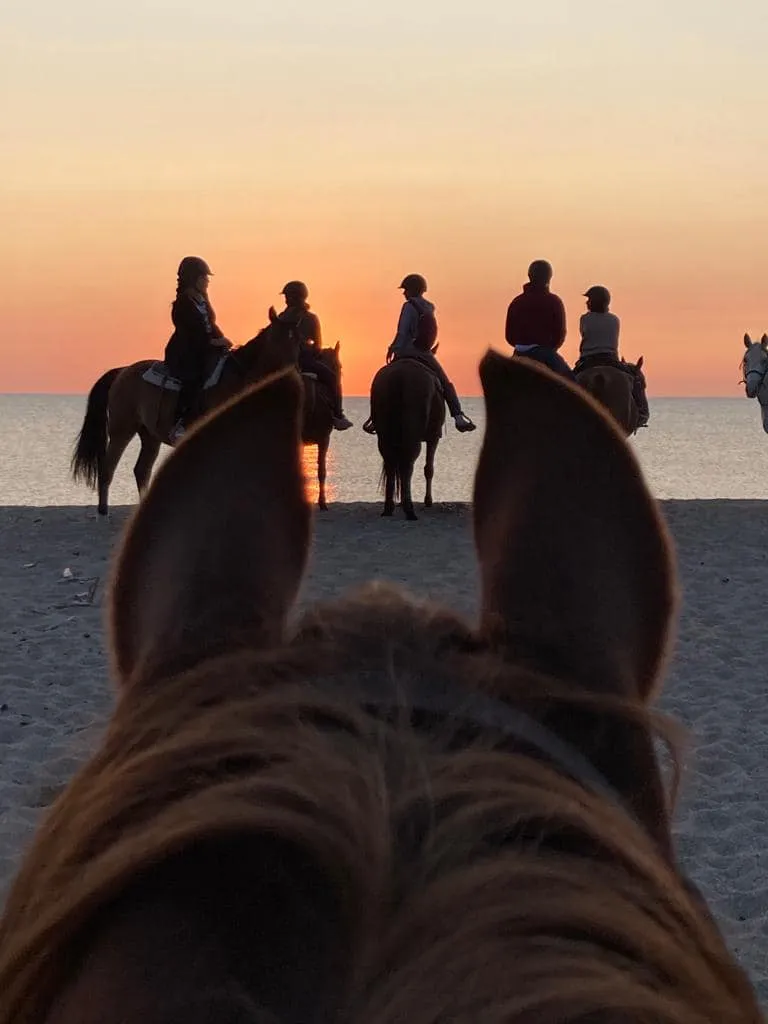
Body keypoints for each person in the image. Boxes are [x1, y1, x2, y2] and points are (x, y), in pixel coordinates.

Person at [362, 275, 476, 434]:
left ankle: (375, 419)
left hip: (406, 351)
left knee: (381, 380)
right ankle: (458, 416)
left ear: (412, 290)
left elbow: (402, 332)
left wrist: (393, 348)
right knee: (445, 382)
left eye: (406, 290)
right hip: (424, 353)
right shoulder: (429, 307)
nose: (404, 293)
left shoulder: (408, 307)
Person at [164, 256, 232, 442]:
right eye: (204, 277)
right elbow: (193, 335)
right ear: (193, 279)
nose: (207, 281)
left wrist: (222, 339)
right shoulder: (182, 305)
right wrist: (216, 343)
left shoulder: (202, 301)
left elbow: (211, 325)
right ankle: (180, 424)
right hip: (185, 352)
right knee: (195, 379)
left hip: (206, 349)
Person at [273, 281, 352, 430]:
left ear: (296, 297)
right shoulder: (310, 318)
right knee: (332, 377)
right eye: (287, 296)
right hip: (303, 361)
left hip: (281, 363)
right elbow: (317, 346)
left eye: (288, 296)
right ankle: (338, 414)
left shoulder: (281, 318)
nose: (286, 299)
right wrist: (309, 349)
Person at [504, 260, 573, 379]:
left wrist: (522, 344)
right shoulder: (554, 301)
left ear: (530, 276)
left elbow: (509, 336)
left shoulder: (516, 302)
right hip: (545, 353)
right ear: (549, 277)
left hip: (519, 353)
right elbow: (560, 333)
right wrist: (550, 349)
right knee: (573, 384)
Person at [573, 286, 623, 375]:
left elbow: (583, 334)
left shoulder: (585, 318)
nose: (587, 302)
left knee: (567, 381)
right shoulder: (615, 319)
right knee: (634, 377)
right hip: (612, 359)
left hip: (588, 359)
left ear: (594, 302)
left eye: (590, 300)